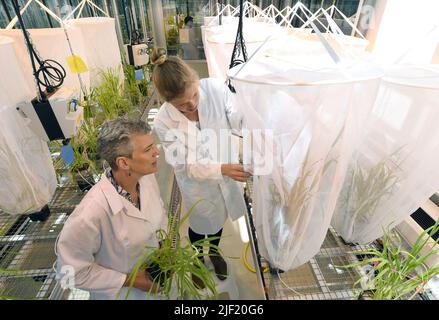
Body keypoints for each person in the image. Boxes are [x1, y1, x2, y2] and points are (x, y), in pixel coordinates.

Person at [151, 48, 250, 288]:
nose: (193, 104)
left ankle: (214, 253)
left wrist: (250, 108)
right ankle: (196, 259)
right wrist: (222, 169)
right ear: (168, 103)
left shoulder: (215, 89)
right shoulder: (163, 122)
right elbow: (186, 166)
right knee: (199, 223)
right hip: (196, 185)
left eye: (194, 95)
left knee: (217, 221)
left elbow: (237, 118)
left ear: (196, 82)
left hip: (225, 175)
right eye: (183, 105)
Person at [55, 117, 166, 300]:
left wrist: (163, 243)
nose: (156, 152)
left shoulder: (146, 179)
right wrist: (132, 280)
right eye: (148, 150)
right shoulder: (90, 213)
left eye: (153, 146)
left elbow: (158, 213)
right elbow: (69, 274)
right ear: (123, 163)